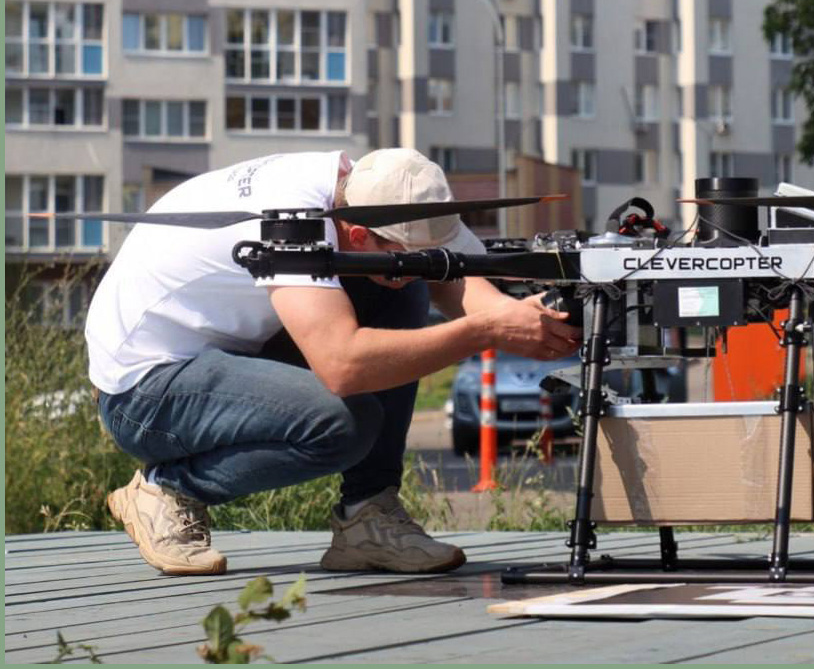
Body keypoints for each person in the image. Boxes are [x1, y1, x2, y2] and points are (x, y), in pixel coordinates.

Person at [86, 148, 579, 576]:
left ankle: (368, 516)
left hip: (224, 353)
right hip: (146, 391)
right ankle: (165, 490)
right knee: (341, 423)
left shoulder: (386, 190)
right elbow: (343, 367)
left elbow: (458, 283)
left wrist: (536, 323)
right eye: (405, 253)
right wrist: (485, 332)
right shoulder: (291, 222)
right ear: (360, 234)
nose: (416, 266)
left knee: (400, 293)